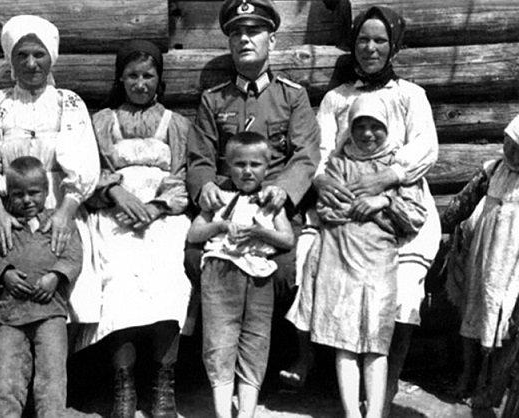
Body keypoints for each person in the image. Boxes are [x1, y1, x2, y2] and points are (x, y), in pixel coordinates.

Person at [283, 6, 441, 413]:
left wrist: (386, 178)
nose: (370, 48)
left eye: (380, 40)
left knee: (402, 289)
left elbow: (426, 148)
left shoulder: (410, 95)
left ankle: (384, 388)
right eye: (363, 40)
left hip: (400, 205)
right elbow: (320, 152)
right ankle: (310, 360)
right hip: (343, 201)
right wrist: (325, 183)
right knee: (309, 262)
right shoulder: (337, 98)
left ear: (394, 46)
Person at [186, 0, 320, 376]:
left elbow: (306, 154)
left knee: (283, 271)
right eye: (236, 34)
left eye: (254, 32)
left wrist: (284, 191)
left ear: (271, 40)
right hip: (226, 208)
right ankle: (219, 365)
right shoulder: (214, 99)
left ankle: (265, 363)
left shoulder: (292, 96)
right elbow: (199, 156)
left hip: (272, 210)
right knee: (196, 261)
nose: (244, 39)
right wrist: (205, 186)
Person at [0, 15, 100, 342]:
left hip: (61, 201)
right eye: (22, 55)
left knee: (72, 268)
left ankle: (58, 358)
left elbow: (83, 159)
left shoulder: (68, 103)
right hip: (6, 203)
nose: (31, 64)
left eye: (39, 54)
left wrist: (66, 211)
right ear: (10, 60)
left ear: (51, 57)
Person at [71, 40, 193, 418]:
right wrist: (115, 194)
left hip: (163, 216)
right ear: (120, 79)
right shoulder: (101, 123)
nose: (140, 83)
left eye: (148, 76)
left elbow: (182, 178)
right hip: (114, 215)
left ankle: (162, 386)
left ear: (159, 79)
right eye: (132, 76)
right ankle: (123, 388)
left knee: (170, 280)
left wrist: (156, 207)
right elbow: (87, 173)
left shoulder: (177, 124)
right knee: (119, 283)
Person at [309, 94, 426, 418]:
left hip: (378, 261)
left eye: (376, 126)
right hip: (340, 257)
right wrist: (366, 211)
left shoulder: (397, 169)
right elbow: (327, 210)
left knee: (376, 342)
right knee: (344, 341)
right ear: (350, 127)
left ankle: (373, 414)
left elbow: (414, 217)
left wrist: (382, 203)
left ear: (388, 127)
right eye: (360, 126)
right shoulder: (339, 163)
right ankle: (351, 413)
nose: (367, 134)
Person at [188, 132, 294, 418]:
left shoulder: (270, 201)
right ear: (228, 166)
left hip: (259, 276)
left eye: (255, 164)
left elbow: (287, 239)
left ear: (267, 167)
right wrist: (220, 226)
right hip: (220, 273)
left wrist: (261, 232)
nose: (247, 171)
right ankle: (223, 413)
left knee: (255, 342)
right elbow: (194, 234)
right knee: (219, 341)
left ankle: (246, 412)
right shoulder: (218, 197)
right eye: (240, 164)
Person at [0, 156, 82, 417]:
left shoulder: (59, 223)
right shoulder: (0, 223)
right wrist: (4, 273)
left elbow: (74, 255)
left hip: (50, 312)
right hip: (10, 313)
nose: (27, 200)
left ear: (47, 191)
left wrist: (55, 276)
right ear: (8, 193)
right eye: (18, 194)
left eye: (34, 193)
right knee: (8, 377)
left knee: (52, 375)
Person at [441, 115, 519, 409]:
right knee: (474, 311)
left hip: (513, 262)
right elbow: (458, 208)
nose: (512, 153)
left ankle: (490, 386)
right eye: (509, 144)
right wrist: (454, 228)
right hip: (484, 254)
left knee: (504, 320)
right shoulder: (492, 170)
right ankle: (467, 374)